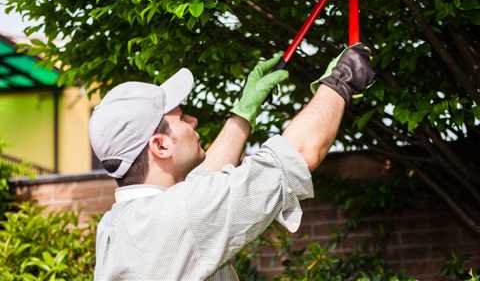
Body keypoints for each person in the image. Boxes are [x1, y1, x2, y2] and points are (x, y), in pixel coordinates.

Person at [89, 43, 374, 280]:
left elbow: (204, 183)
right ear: (161, 145)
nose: (193, 120)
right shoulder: (182, 213)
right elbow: (296, 155)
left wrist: (243, 112)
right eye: (180, 117)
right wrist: (339, 82)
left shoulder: (117, 223)